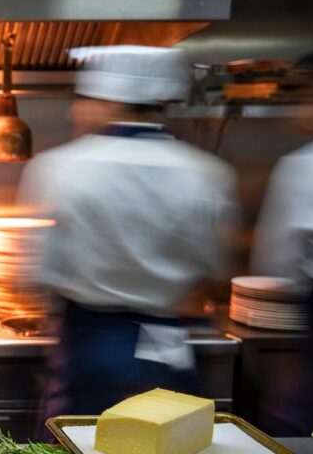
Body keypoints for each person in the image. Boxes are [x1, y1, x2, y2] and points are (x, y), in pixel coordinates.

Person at [16, 46, 239, 426]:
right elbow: (215, 266)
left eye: (84, 99)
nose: (75, 111)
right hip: (169, 345)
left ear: (110, 103)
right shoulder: (206, 172)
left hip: (89, 344)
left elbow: (35, 271)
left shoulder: (61, 167)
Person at [251, 48, 313, 436]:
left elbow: (277, 267)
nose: (297, 105)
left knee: (302, 439)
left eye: (307, 93)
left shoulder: (309, 165)